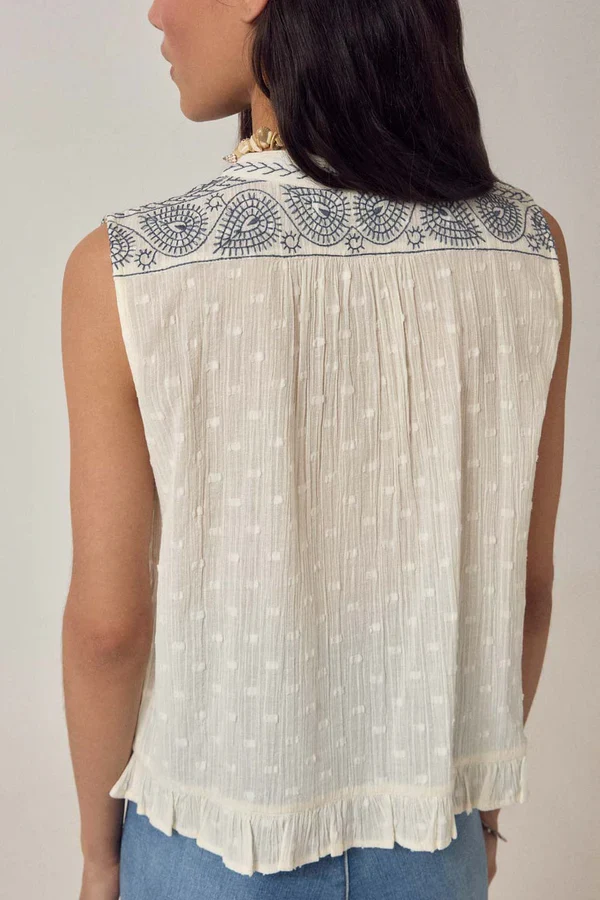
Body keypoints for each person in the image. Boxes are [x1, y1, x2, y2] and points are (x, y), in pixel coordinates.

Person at [60, 1, 571, 898]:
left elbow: (111, 630)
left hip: (205, 844)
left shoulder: (128, 269)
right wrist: (480, 813)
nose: (156, 12)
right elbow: (524, 591)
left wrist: (104, 858)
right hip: (432, 836)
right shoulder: (529, 247)